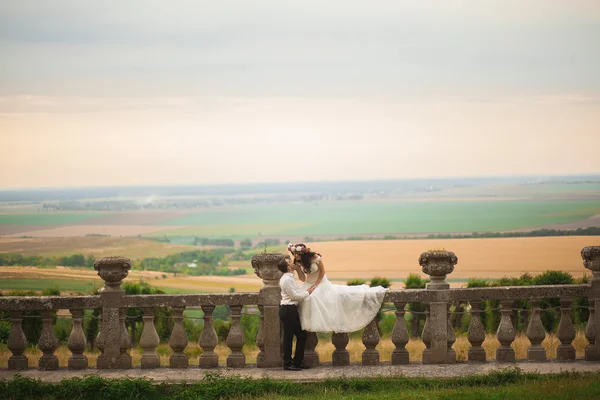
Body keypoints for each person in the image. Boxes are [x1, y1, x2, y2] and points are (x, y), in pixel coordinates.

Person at [288, 243, 387, 333]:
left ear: (303, 253)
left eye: (297, 253)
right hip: (308, 282)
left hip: (321, 282)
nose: (295, 256)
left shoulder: (315, 257)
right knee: (302, 297)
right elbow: (302, 278)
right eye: (294, 254)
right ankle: (305, 322)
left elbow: (322, 272)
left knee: (314, 297)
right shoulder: (297, 261)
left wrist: (316, 285)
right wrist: (297, 270)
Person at [278, 256, 315, 371]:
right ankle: (288, 364)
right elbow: (294, 296)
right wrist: (307, 292)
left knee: (301, 336)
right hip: (288, 310)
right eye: (290, 262)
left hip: (290, 310)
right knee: (289, 337)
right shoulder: (286, 280)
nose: (293, 262)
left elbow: (295, 291)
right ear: (289, 267)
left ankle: (297, 362)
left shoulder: (289, 277)